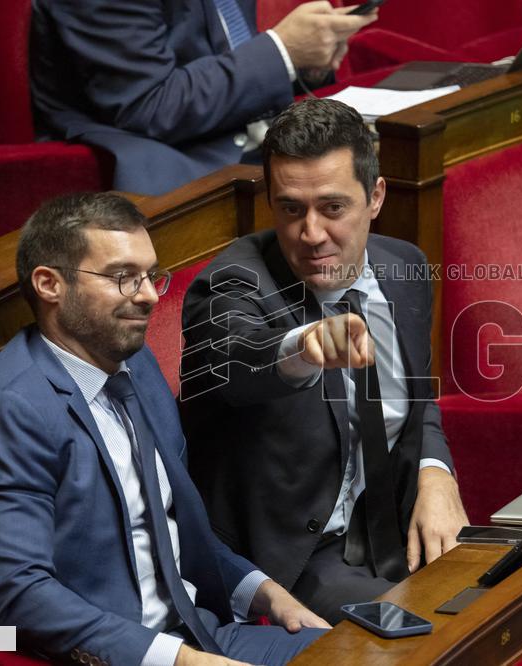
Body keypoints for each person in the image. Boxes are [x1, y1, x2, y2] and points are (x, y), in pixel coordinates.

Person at [0, 192, 329, 666]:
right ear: (49, 284)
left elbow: (173, 526)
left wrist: (265, 594)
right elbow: (20, 596)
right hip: (116, 655)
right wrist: (180, 661)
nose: (149, 295)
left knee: (367, 654)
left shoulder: (136, 364)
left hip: (201, 632)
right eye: (124, 278)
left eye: (151, 275)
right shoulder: (12, 411)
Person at [180, 98, 469, 624]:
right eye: (291, 208)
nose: (311, 234)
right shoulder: (233, 282)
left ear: (375, 197)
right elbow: (235, 356)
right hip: (297, 558)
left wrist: (435, 474)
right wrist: (304, 347)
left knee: (504, 604)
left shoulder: (403, 266)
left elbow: (421, 403)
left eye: (332, 208)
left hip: (399, 528)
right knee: (425, 638)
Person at [29, 0, 377, 195]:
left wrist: (301, 62)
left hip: (241, 133)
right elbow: (151, 106)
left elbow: (217, 57)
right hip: (169, 159)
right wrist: (282, 51)